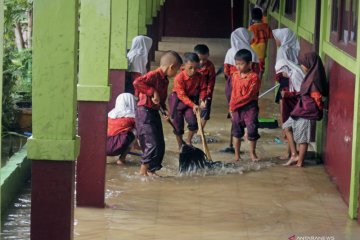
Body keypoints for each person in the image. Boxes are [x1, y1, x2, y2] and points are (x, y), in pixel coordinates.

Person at [133, 51, 183, 176]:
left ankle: (152, 170)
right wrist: (152, 91)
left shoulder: (165, 80)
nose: (176, 73)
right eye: (176, 70)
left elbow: (160, 99)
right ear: (171, 67)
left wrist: (164, 110)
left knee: (160, 144)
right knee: (152, 143)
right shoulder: (153, 75)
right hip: (143, 112)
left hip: (154, 111)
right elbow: (137, 83)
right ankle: (142, 172)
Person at [282, 52, 327, 167]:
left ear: (309, 64)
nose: (301, 66)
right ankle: (294, 155)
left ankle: (300, 162)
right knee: (286, 127)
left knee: (302, 138)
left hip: (307, 111)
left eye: (303, 64)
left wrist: (319, 109)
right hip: (301, 108)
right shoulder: (309, 76)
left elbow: (317, 98)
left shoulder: (314, 80)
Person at [223, 28, 260, 153]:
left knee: (234, 114)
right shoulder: (252, 53)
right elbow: (258, 72)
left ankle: (232, 143)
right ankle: (244, 140)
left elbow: (226, 71)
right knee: (247, 117)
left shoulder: (230, 52)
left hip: (232, 85)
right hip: (247, 85)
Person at [169, 52, 207, 150]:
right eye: (190, 68)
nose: (193, 71)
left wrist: (202, 99)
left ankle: (189, 140)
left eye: (195, 68)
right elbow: (181, 95)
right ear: (183, 66)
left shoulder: (200, 76)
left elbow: (203, 89)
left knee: (194, 124)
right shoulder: (179, 78)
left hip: (191, 101)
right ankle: (180, 146)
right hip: (177, 101)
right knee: (177, 126)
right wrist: (193, 105)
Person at [229, 49, 261, 162]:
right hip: (236, 108)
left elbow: (249, 95)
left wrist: (234, 104)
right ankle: (237, 155)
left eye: (241, 64)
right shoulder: (235, 75)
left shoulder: (254, 77)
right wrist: (231, 107)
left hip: (250, 107)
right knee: (236, 131)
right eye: (236, 64)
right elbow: (233, 91)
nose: (238, 66)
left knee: (252, 129)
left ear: (249, 64)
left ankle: (252, 153)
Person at [275, 57, 306, 160]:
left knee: (289, 129)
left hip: (297, 106)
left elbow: (300, 94)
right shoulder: (291, 73)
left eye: (281, 72)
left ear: (286, 68)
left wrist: (287, 94)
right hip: (291, 104)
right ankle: (291, 154)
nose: (282, 75)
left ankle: (294, 155)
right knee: (288, 128)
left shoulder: (295, 75)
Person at [272, 28, 301, 125]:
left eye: (277, 38)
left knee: (283, 103)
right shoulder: (294, 48)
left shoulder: (282, 50)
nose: (276, 40)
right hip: (294, 79)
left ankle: (286, 129)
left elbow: (281, 68)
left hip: (285, 79)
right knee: (291, 103)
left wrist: (279, 75)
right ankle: (290, 127)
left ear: (283, 38)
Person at [107, 93, 137, 165]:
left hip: (103, 148)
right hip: (117, 148)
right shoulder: (133, 117)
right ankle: (122, 159)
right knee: (136, 130)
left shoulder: (110, 114)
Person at [194, 44, 216, 129]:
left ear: (208, 56)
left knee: (205, 110)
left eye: (205, 59)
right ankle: (195, 127)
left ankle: (200, 129)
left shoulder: (210, 67)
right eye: (199, 59)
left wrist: (207, 96)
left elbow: (211, 82)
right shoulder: (191, 65)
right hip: (193, 91)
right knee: (194, 110)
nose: (202, 62)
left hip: (206, 91)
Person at [248, 7, 273, 79]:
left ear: (252, 17)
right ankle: (259, 82)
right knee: (261, 69)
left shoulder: (251, 28)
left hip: (253, 52)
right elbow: (271, 36)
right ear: (261, 16)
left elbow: (249, 40)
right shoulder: (266, 26)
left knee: (252, 69)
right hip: (262, 52)